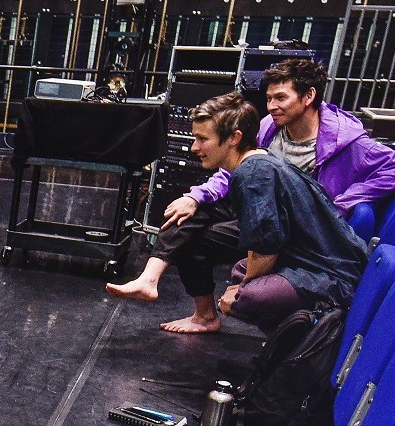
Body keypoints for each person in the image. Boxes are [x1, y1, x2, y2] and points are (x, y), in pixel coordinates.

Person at [109, 57, 395, 315]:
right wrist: (196, 196)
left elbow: (266, 237)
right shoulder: (268, 127)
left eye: (281, 97)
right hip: (264, 211)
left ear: (309, 96)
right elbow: (235, 165)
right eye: (269, 98)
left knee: (250, 288)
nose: (272, 106)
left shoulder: (346, 142)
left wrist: (344, 201)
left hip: (297, 228)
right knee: (184, 217)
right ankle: (175, 295)